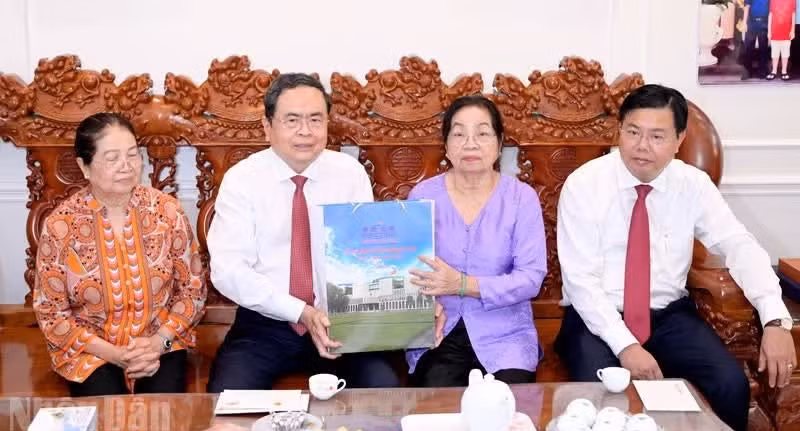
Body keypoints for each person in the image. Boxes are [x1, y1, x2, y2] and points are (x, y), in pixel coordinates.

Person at [554, 84, 797, 431]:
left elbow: (738, 244)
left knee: (730, 384)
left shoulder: (692, 184)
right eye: (633, 132)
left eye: (657, 136)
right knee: (601, 405)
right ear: (618, 130)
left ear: (679, 139)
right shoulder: (584, 185)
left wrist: (775, 318)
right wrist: (626, 345)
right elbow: (581, 283)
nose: (642, 146)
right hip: (595, 319)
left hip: (669, 317)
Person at [206, 73, 421, 391]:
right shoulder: (242, 180)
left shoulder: (349, 174)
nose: (305, 131)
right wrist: (300, 312)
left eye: (315, 119)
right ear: (267, 126)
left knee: (383, 388)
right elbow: (229, 271)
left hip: (341, 320)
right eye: (292, 120)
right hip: (266, 323)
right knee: (228, 398)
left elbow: (366, 260)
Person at [32, 112, 207, 396]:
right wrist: (114, 354)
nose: (126, 166)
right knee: (109, 412)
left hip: (160, 342)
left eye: (132, 154)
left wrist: (158, 342)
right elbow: (51, 313)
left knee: (162, 412)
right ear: (84, 166)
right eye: (112, 158)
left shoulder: (167, 211)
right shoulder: (61, 225)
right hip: (91, 350)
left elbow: (192, 291)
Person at [405, 95, 547, 387]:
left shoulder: (521, 198)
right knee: (436, 405)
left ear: (500, 143)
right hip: (440, 330)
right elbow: (407, 270)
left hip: (506, 334)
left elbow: (531, 279)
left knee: (508, 404)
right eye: (459, 134)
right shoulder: (423, 196)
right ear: (446, 145)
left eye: (482, 133)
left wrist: (463, 284)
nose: (470, 144)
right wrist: (423, 306)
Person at [767, 0, 796, 80]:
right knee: (774, 53)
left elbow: (793, 14)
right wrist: (769, 31)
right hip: (775, 30)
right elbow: (770, 15)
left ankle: (784, 72)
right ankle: (774, 71)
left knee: (785, 53)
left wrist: (793, 30)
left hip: (787, 31)